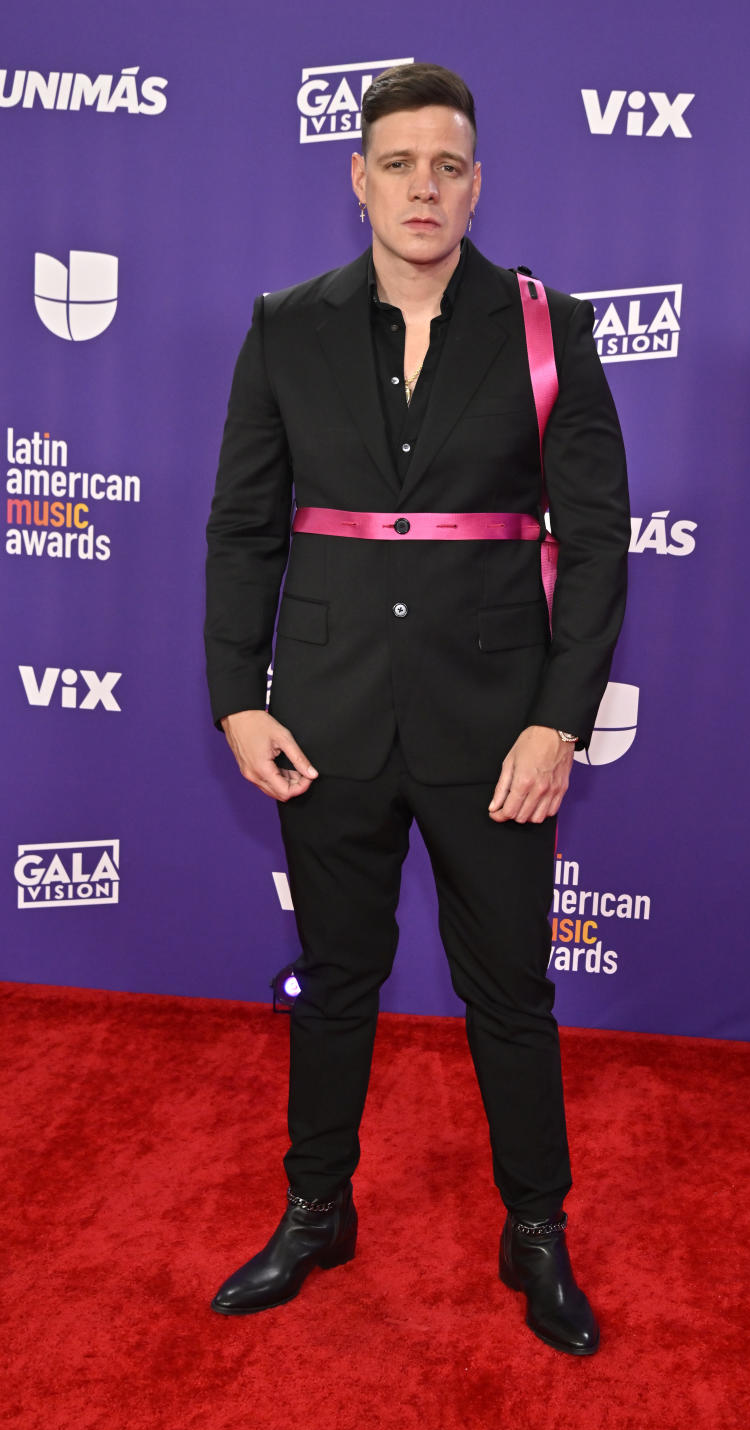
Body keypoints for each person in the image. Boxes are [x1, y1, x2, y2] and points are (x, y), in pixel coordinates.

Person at [204, 63, 629, 1356]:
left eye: (448, 165)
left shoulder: (549, 324)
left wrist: (558, 719)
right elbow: (243, 528)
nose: (424, 188)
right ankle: (317, 1209)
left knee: (512, 992)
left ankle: (537, 1230)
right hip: (325, 720)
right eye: (399, 165)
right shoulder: (287, 324)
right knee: (337, 983)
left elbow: (600, 542)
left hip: (497, 727)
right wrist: (237, 697)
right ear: (359, 178)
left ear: (478, 180)